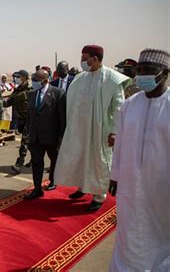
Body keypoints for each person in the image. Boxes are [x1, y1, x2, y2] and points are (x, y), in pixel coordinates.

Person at [108, 49, 169, 272]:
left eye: (148, 70)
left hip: (162, 187)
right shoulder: (130, 104)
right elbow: (121, 144)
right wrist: (115, 176)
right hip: (130, 183)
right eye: (140, 70)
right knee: (129, 229)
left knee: (161, 234)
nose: (142, 74)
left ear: (164, 73)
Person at [54, 45, 131, 211]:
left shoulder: (112, 79)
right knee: (80, 158)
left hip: (100, 130)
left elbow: (119, 106)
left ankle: (98, 196)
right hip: (80, 129)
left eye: (84, 57)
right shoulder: (81, 77)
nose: (82, 61)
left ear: (95, 59)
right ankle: (82, 188)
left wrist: (115, 131)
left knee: (98, 162)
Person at [24, 70, 66, 199]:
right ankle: (37, 189)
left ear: (45, 81)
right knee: (37, 162)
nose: (34, 83)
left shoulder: (58, 94)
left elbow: (62, 118)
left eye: (36, 80)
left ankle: (52, 180)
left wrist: (61, 137)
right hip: (35, 137)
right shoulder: (31, 94)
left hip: (51, 136)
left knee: (54, 160)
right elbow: (30, 116)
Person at [4, 70, 32, 173]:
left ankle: (19, 163)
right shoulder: (16, 90)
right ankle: (34, 160)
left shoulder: (31, 90)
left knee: (24, 141)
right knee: (31, 142)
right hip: (21, 119)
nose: (16, 79)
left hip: (30, 119)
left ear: (24, 78)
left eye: (18, 77)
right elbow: (8, 102)